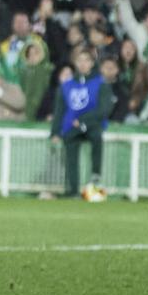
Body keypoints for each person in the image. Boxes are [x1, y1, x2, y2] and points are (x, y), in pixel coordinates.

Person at [51, 49, 113, 200]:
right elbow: (59, 110)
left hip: (92, 124)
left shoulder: (101, 84)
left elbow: (104, 109)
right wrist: (55, 132)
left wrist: (83, 120)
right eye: (80, 60)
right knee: (70, 151)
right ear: (75, 63)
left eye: (86, 60)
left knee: (97, 137)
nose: (83, 64)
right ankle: (73, 190)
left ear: (92, 63)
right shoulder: (67, 86)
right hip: (72, 126)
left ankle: (95, 178)